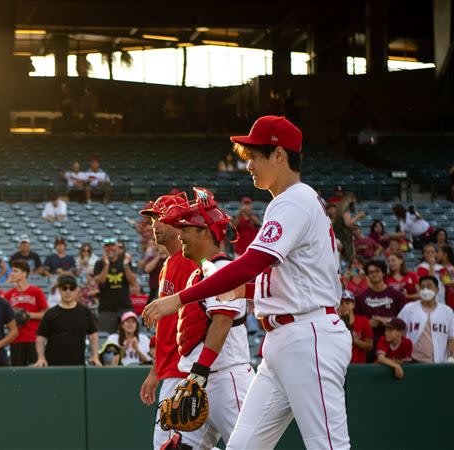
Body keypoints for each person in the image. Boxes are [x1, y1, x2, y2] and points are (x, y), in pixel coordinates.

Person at [143, 116, 351, 449]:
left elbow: (252, 264)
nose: (248, 164)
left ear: (279, 155)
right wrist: (247, 289)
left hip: (309, 335)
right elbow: (286, 281)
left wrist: (178, 299)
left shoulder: (294, 200)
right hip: (284, 340)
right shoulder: (288, 202)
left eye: (254, 155)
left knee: (328, 446)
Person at [157, 188, 255, 450]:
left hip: (226, 379)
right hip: (202, 380)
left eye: (186, 229)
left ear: (204, 232)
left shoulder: (221, 268)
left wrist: (200, 371)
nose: (181, 235)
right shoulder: (199, 271)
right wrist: (196, 375)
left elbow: (222, 321)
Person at [135, 193, 198, 450]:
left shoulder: (189, 263)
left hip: (184, 369)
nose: (155, 225)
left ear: (177, 222)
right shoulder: (167, 264)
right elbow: (166, 325)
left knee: (167, 443)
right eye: (153, 219)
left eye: (161, 218)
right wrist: (155, 371)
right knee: (184, 444)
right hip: (171, 369)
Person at [34, 274, 101, 367]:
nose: (68, 291)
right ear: (59, 290)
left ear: (77, 290)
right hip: (53, 365)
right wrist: (41, 357)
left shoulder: (85, 312)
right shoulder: (50, 313)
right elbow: (40, 337)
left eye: (72, 288)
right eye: (64, 288)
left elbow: (93, 335)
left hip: (77, 365)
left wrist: (95, 356)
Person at [355, 259, 406, 361]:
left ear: (383, 273)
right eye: (370, 272)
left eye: (377, 271)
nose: (374, 274)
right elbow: (355, 323)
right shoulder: (360, 297)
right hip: (368, 346)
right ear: (367, 275)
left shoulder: (397, 296)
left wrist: (387, 321)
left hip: (392, 346)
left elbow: (404, 322)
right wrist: (366, 323)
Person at [398, 276, 454, 363]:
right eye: (422, 287)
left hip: (439, 361)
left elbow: (451, 337)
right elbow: (398, 331)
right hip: (413, 361)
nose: (425, 290)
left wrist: (451, 357)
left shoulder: (447, 311)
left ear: (437, 290)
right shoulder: (408, 309)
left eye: (429, 286)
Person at [4, 261, 48, 367]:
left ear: (24, 274)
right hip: (16, 340)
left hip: (34, 339)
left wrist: (28, 315)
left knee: (36, 373)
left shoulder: (36, 291)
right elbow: (5, 319)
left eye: (15, 271)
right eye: (12, 271)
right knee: (17, 374)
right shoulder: (8, 295)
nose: (12, 274)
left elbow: (46, 314)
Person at [93, 237, 136, 332]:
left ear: (117, 247)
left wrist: (125, 266)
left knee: (129, 334)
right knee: (106, 337)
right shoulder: (99, 263)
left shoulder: (125, 262)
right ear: (104, 249)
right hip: (106, 309)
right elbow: (100, 280)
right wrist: (107, 265)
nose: (110, 249)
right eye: (107, 247)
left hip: (125, 307)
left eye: (112, 246)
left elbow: (133, 281)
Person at [337, 290, 373, 364]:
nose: (344, 306)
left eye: (347, 303)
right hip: (340, 364)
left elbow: (370, 346)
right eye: (341, 303)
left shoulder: (363, 321)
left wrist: (355, 340)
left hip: (359, 366)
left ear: (353, 304)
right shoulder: (334, 322)